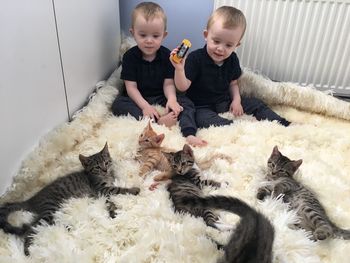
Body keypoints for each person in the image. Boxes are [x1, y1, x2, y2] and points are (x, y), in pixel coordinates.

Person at [171, 6, 291, 128]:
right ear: (206, 35)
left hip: (225, 102)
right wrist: (179, 69)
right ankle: (238, 125)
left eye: (229, 45)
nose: (221, 49)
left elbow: (233, 84)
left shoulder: (232, 59)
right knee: (202, 120)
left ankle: (284, 123)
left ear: (236, 45)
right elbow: (182, 88)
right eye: (216, 41)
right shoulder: (195, 58)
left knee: (256, 103)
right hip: (202, 106)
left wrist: (236, 100)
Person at [111, 2, 207, 147]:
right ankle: (156, 121)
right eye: (143, 35)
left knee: (186, 103)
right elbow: (131, 88)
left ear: (164, 35)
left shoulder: (166, 55)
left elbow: (168, 83)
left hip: (160, 95)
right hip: (138, 97)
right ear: (133, 33)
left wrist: (172, 100)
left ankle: (189, 133)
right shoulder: (130, 57)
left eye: (155, 36)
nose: (149, 40)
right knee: (118, 104)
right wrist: (145, 106)